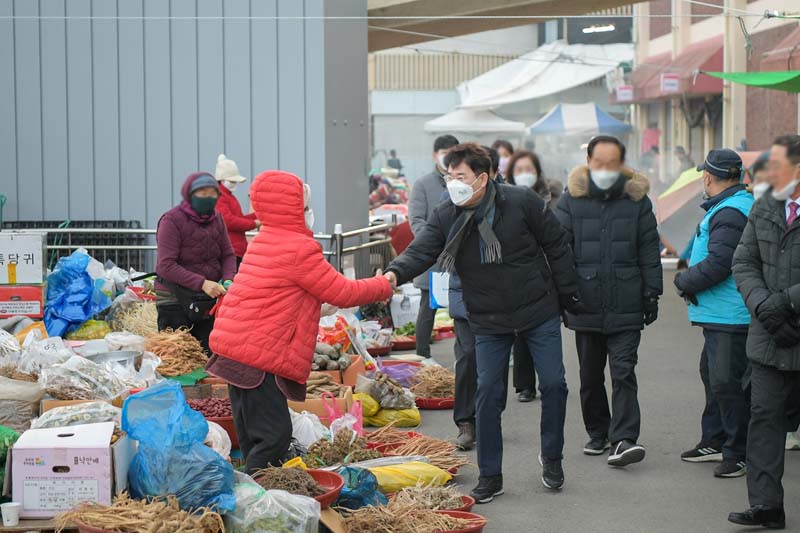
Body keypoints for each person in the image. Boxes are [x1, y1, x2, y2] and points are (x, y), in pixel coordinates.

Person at [384, 143, 581, 502]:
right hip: (487, 317)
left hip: (538, 310)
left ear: (483, 178)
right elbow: (422, 249)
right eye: (449, 177)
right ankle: (491, 474)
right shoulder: (447, 214)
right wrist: (394, 274)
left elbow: (557, 245)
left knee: (554, 384)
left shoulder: (521, 202)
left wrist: (569, 299)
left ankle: (552, 457)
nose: (453, 184)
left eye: (460, 176)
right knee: (488, 394)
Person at [207, 171, 393, 474]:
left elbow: (278, 295)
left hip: (238, 352)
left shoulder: (263, 239)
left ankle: (259, 500)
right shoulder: (298, 247)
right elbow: (343, 292)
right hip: (257, 357)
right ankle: (249, 503)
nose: (309, 213)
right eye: (304, 206)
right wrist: (384, 283)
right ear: (290, 208)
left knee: (255, 438)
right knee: (273, 439)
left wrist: (312, 306)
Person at [554, 135, 662, 466]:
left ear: (621, 164)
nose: (605, 169)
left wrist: (651, 292)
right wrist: (564, 292)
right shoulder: (570, 200)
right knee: (589, 376)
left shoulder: (637, 201)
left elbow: (648, 248)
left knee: (624, 371)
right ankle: (598, 432)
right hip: (584, 300)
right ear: (588, 162)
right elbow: (559, 250)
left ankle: (624, 438)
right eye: (599, 162)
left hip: (626, 299)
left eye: (611, 163)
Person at [729, 134, 800, 529]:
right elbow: (743, 261)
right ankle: (766, 506)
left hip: (786, 318)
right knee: (765, 419)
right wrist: (763, 306)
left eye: (776, 165)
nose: (768, 173)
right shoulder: (765, 206)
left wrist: (786, 303)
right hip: (768, 336)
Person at [673, 149, 753, 478]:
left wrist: (683, 280)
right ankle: (715, 440)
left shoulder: (731, 211)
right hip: (722, 313)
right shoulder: (730, 205)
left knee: (727, 383)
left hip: (731, 314)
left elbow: (722, 263)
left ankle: (737, 452)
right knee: (713, 375)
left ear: (707, 176)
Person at [155, 173, 236, 354]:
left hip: (206, 300)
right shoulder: (171, 220)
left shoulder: (217, 219)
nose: (208, 198)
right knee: (179, 357)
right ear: (189, 194)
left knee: (209, 354)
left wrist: (229, 279)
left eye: (212, 193)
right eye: (202, 193)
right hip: (174, 298)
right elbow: (165, 265)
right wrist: (202, 283)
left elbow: (228, 255)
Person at [408, 134, 460, 358]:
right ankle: (422, 356)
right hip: (432, 259)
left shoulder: (463, 181)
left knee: (462, 309)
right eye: (444, 152)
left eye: (453, 151)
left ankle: (465, 358)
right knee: (427, 308)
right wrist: (433, 243)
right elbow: (416, 220)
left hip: (459, 258)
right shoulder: (422, 184)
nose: (448, 157)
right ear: (434, 155)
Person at [214, 154, 260, 267]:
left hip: (235, 249)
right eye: (232, 181)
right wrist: (254, 222)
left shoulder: (228, 196)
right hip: (231, 250)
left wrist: (257, 215)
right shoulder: (220, 196)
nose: (234, 184)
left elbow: (238, 218)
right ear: (222, 180)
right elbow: (228, 221)